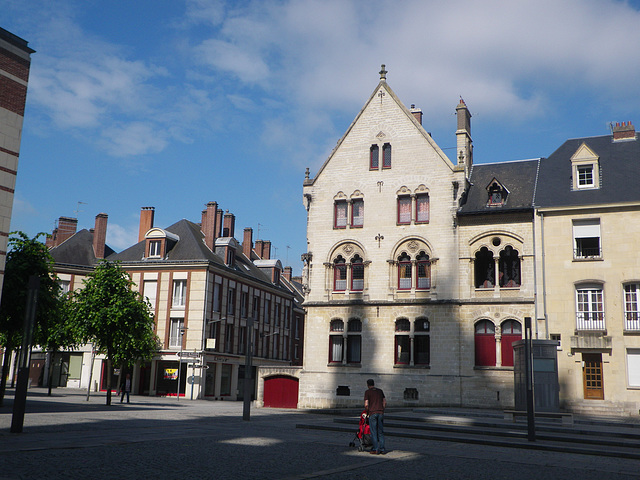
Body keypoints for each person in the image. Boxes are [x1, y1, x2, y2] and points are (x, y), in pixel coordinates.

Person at [364, 378, 386, 454]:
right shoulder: (380, 391)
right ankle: (382, 449)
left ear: (367, 385)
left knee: (373, 432)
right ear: (374, 384)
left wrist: (367, 411)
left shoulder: (367, 392)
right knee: (380, 431)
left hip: (372, 413)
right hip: (380, 412)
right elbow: (384, 402)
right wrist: (382, 409)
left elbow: (366, 404)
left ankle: (375, 448)